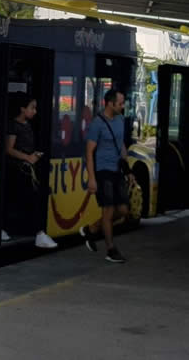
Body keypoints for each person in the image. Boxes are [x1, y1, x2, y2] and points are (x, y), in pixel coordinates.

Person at [80, 89, 135, 263]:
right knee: (108, 211)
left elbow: (121, 145)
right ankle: (111, 250)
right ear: (110, 104)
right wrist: (92, 178)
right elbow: (89, 152)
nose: (123, 106)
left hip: (116, 170)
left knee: (124, 210)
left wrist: (128, 170)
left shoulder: (120, 120)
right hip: (102, 171)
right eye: (120, 103)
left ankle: (91, 229)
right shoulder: (97, 124)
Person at [5, 92, 58, 249]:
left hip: (27, 167)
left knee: (25, 200)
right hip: (19, 169)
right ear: (22, 109)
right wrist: (28, 157)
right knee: (31, 200)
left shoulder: (27, 125)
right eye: (32, 107)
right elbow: (9, 149)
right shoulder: (14, 125)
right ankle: (39, 234)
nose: (35, 111)